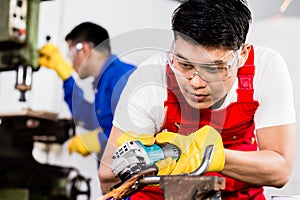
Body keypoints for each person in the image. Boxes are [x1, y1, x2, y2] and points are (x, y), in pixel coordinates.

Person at [98, 0, 296, 199]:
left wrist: (208, 155)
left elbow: (280, 170)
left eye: (213, 69)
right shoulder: (150, 80)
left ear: (242, 55)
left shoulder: (265, 68)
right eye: (185, 65)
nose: (196, 83)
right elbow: (107, 179)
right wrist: (151, 155)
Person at [38, 22, 136, 159]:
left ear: (84, 48)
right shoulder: (103, 81)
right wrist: (66, 76)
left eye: (70, 53)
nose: (71, 62)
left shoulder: (123, 76)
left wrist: (98, 140)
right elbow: (90, 119)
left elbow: (135, 129)